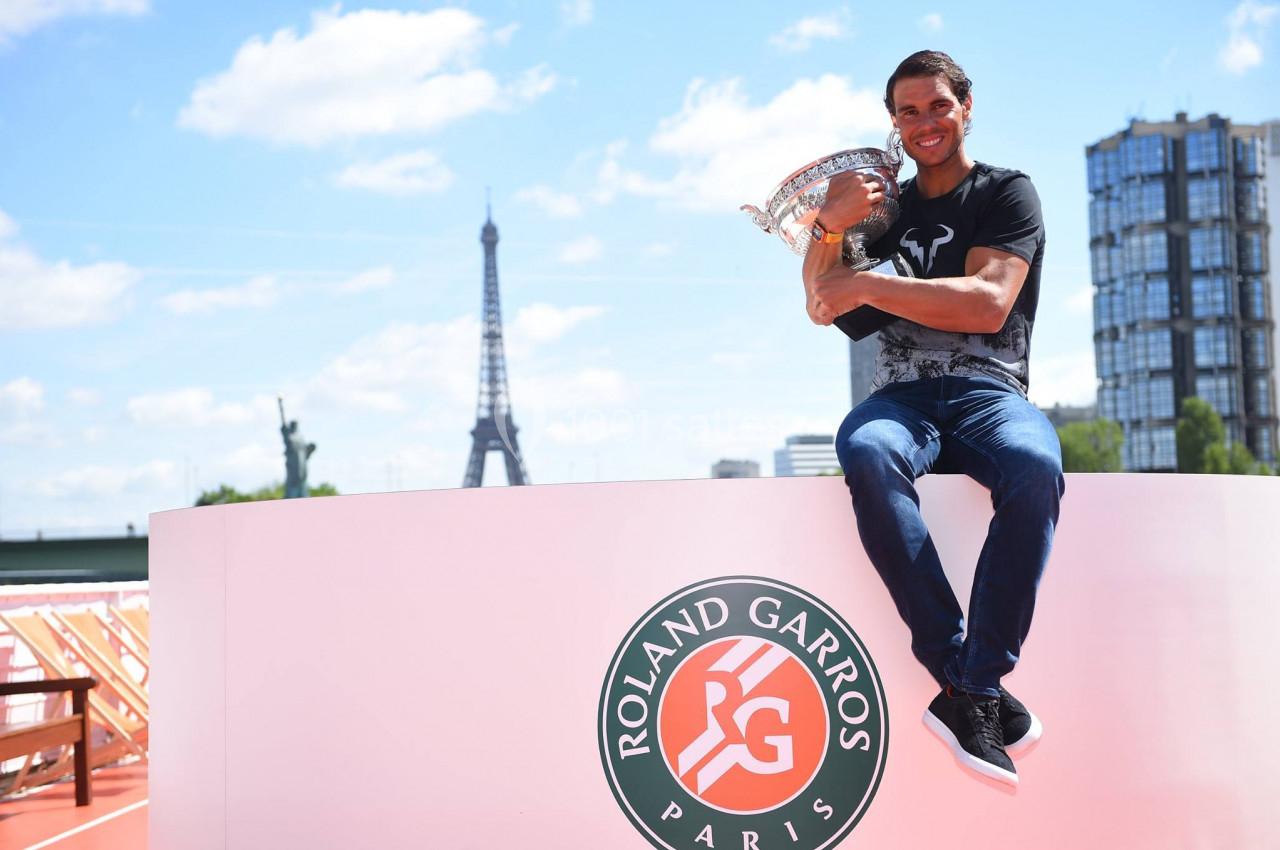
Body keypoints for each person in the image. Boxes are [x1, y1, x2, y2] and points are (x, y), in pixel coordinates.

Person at [801, 50, 1065, 788]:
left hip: (990, 390)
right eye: (909, 112)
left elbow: (985, 304)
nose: (925, 123)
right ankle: (967, 685)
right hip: (904, 398)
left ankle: (975, 686)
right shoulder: (888, 212)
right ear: (893, 122)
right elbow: (823, 303)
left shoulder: (1007, 192)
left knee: (1035, 466)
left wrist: (867, 283)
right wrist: (828, 227)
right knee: (867, 448)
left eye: (938, 106)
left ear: (967, 106)